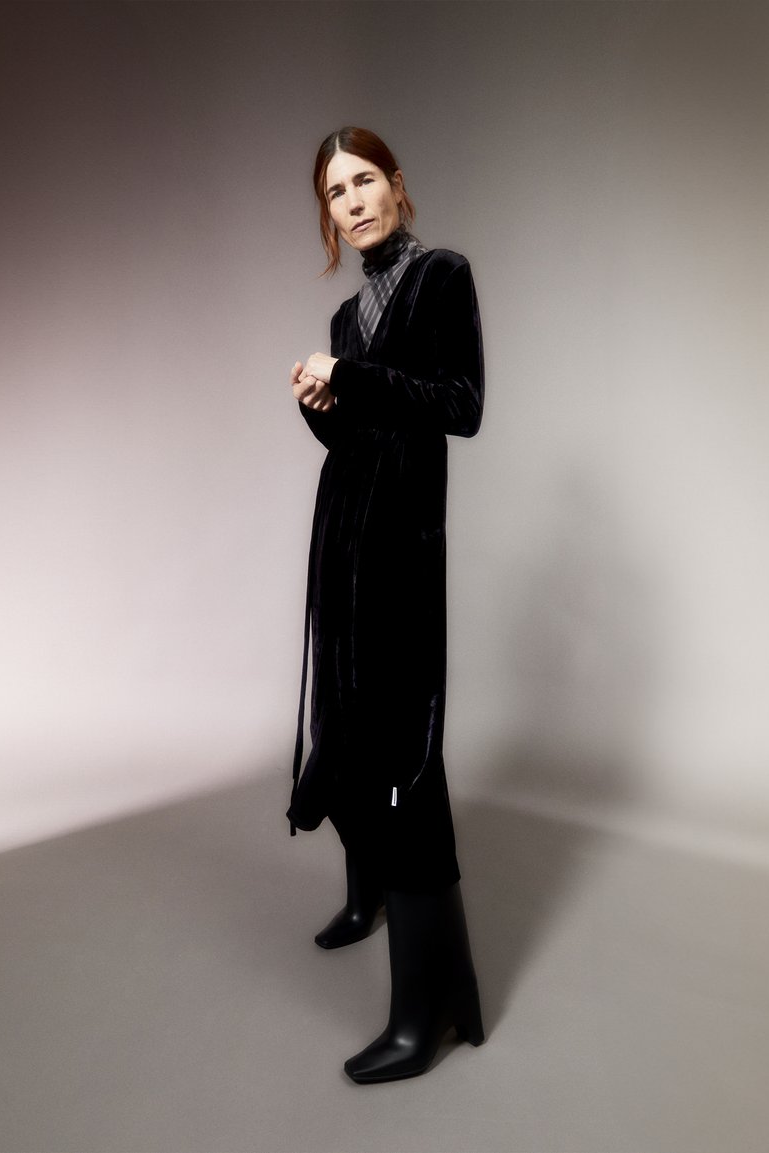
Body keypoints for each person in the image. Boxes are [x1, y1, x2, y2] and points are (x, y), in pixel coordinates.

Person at [287, 126, 485, 1083]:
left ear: (398, 187)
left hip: (403, 560)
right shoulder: (343, 318)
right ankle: (368, 901)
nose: (354, 201)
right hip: (344, 550)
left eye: (365, 180)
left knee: (406, 760)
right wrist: (322, 409)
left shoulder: (442, 276)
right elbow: (365, 443)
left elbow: (459, 405)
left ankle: (426, 1012)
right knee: (344, 729)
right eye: (336, 192)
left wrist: (354, 378)